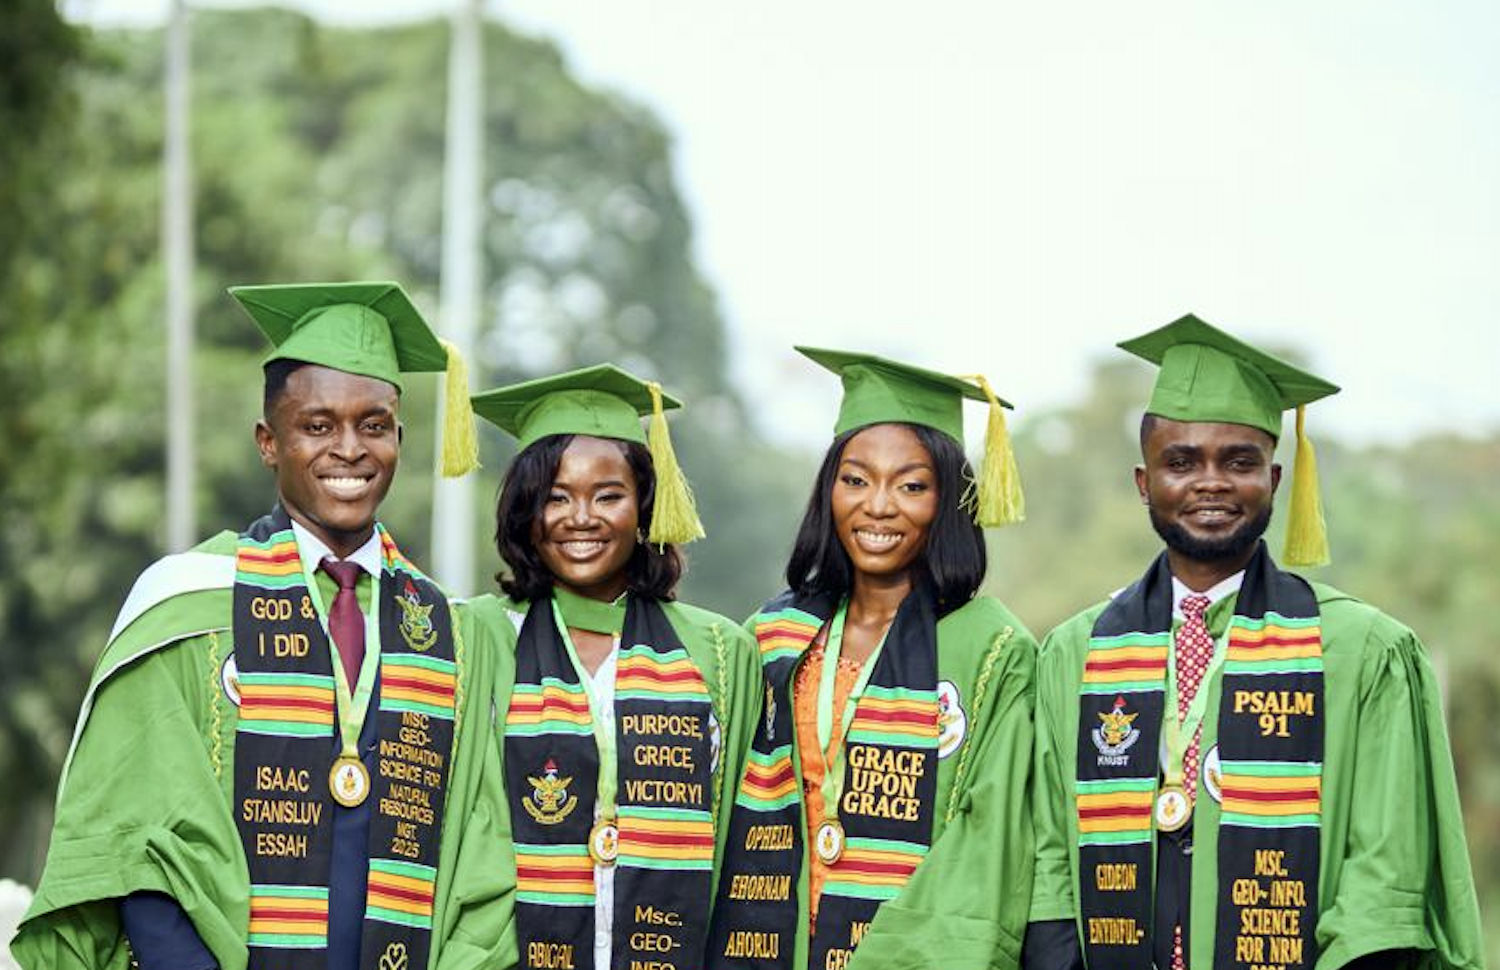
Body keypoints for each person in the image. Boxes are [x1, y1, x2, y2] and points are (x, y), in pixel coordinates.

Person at [13, 282, 511, 970]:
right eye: (316, 426)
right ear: (268, 442)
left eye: (373, 425)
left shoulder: (450, 633)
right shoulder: (186, 603)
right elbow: (135, 839)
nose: (349, 450)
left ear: (400, 437)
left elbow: (481, 858)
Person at [1025, 314, 1485, 970]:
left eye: (1237, 461)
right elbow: (1049, 864)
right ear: (1143, 483)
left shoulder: (1361, 652)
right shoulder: (1076, 652)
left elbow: (1382, 881)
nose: (1210, 482)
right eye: (1180, 462)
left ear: (1272, 480)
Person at [707, 348, 1038, 970]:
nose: (878, 505)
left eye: (911, 485)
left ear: (949, 500)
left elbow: (990, 845)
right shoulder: (774, 635)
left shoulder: (993, 650)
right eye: (855, 479)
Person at [464, 363, 764, 970]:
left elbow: (741, 844)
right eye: (556, 497)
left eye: (609, 495)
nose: (582, 517)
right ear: (526, 510)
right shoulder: (481, 636)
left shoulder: (720, 652)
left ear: (647, 508)